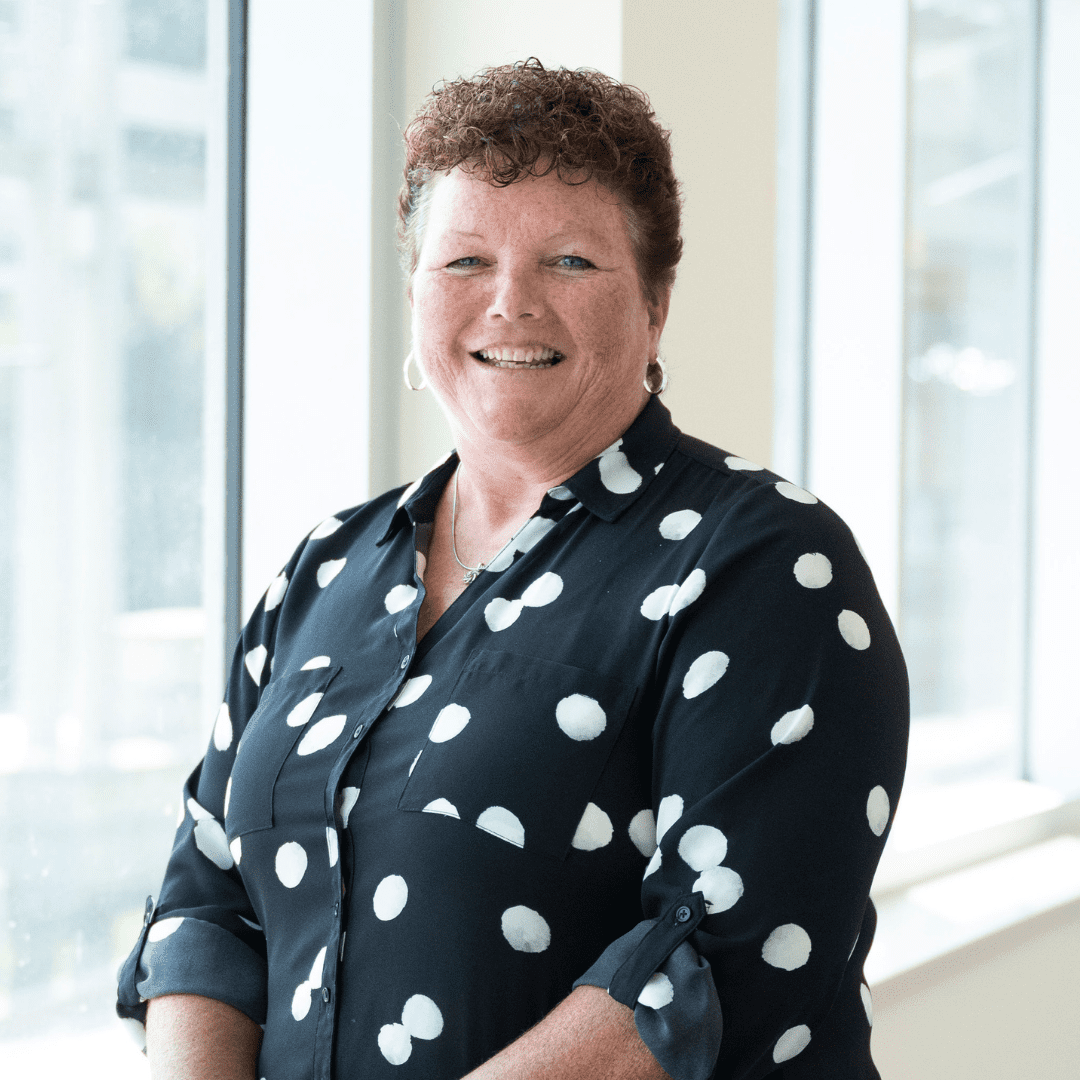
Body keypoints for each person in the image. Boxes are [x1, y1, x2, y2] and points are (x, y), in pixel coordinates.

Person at [117, 58, 908, 1080]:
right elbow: (207, 902)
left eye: (571, 262)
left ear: (657, 303)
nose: (510, 304)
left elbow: (704, 966)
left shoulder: (765, 564)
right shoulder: (324, 569)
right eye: (464, 263)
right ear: (415, 293)